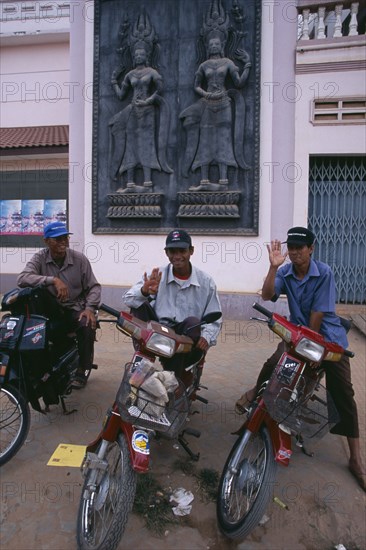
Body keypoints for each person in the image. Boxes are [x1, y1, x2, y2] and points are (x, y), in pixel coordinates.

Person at [235, 226, 365, 491]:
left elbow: (317, 313)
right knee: (274, 366)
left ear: (311, 249)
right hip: (298, 335)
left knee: (344, 394)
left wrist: (313, 347)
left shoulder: (324, 273)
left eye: (299, 248)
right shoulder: (285, 271)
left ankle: (355, 459)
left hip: (327, 339)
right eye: (291, 248)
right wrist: (273, 267)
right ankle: (254, 406)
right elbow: (267, 295)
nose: (294, 252)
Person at [123, 229, 222, 380]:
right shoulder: (157, 274)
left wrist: (207, 336)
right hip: (158, 329)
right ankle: (142, 358)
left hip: (184, 335)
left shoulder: (206, 282)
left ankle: (178, 376)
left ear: (191, 251)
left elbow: (215, 318)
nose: (177, 256)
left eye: (182, 251)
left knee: (194, 323)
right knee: (138, 305)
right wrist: (144, 291)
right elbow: (128, 299)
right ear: (166, 253)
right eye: (172, 251)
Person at [17, 221, 101, 388]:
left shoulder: (79, 260)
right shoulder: (40, 258)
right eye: (57, 239)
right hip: (49, 311)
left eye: (65, 237)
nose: (63, 241)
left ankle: (82, 369)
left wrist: (90, 309)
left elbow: (94, 287)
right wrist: (52, 280)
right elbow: (22, 278)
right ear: (46, 241)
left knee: (86, 324)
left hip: (75, 308)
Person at [180, 33, 251, 189]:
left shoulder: (227, 63)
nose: (213, 46)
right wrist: (206, 93)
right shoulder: (204, 66)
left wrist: (247, 65)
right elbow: (196, 86)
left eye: (216, 44)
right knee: (205, 141)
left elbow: (239, 82)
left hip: (224, 103)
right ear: (207, 46)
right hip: (207, 103)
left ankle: (223, 181)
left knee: (223, 141)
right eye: (211, 44)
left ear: (222, 45)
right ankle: (204, 181)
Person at [109, 33, 172, 191]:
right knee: (131, 145)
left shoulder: (151, 73)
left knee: (146, 144)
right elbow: (121, 95)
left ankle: (147, 182)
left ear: (147, 55)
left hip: (147, 111)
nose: (138, 56)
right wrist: (114, 81)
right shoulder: (130, 75)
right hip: (133, 111)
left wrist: (149, 100)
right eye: (136, 54)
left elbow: (160, 89)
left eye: (141, 54)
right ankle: (130, 182)